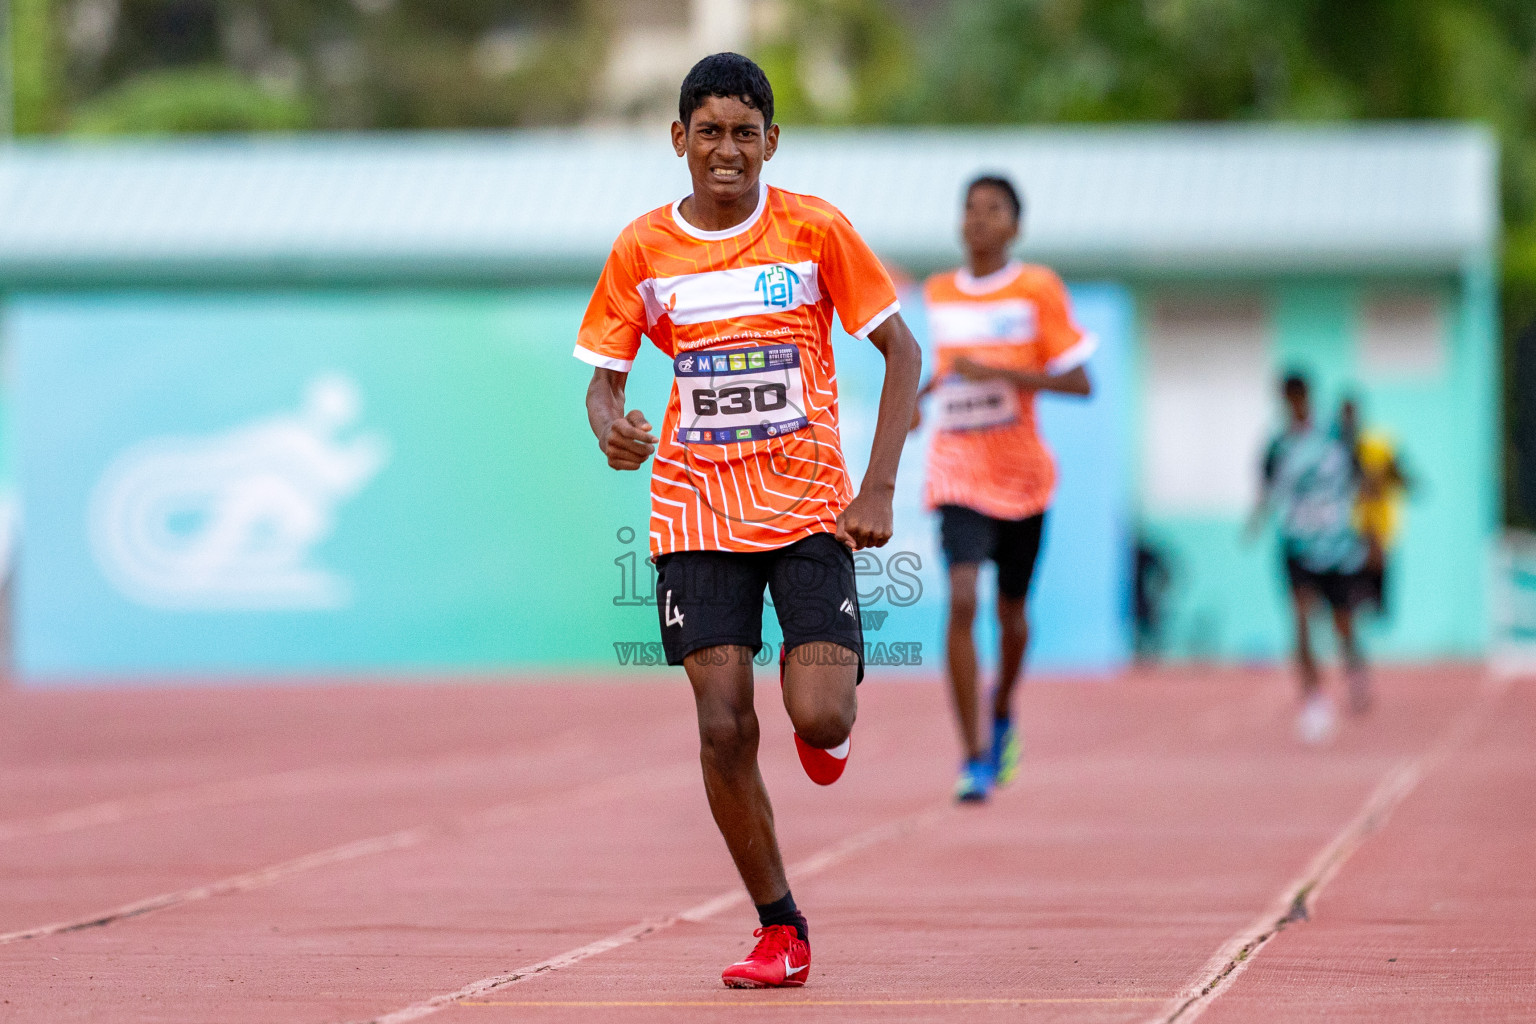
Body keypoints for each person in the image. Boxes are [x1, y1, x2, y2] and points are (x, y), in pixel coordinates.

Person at [574, 53, 921, 989]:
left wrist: (879, 487)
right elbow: (604, 385)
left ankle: (827, 723)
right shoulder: (644, 249)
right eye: (710, 131)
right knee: (724, 728)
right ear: (679, 140)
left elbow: (902, 350)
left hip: (810, 512)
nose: (728, 149)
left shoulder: (813, 231)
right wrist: (616, 430)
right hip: (694, 514)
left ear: (772, 140)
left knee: (816, 707)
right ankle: (781, 929)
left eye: (745, 131)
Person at [909, 175, 1094, 803]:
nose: (979, 220)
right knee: (962, 600)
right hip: (957, 468)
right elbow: (942, 373)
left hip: (1022, 477)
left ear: (1015, 226)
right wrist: (915, 402)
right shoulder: (938, 293)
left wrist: (1001, 372)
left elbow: (1079, 381)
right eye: (970, 208)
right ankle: (973, 757)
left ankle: (1004, 703)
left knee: (1012, 618)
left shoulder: (1037, 288)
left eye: (994, 210)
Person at [1250, 373, 1370, 743]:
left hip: (1336, 545)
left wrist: (1369, 531)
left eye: (1300, 397)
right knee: (1301, 618)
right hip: (1297, 545)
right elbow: (1268, 491)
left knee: (1342, 624)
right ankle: (1314, 700)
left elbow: (1361, 480)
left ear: (1308, 397)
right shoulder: (1277, 446)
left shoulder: (1334, 437)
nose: (1295, 405)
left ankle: (1353, 666)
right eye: (1289, 399)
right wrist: (1256, 519)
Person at [1338, 396, 1412, 616]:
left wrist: (1380, 477)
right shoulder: (1337, 450)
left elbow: (1402, 476)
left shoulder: (1378, 445)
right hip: (1353, 527)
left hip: (1379, 523)